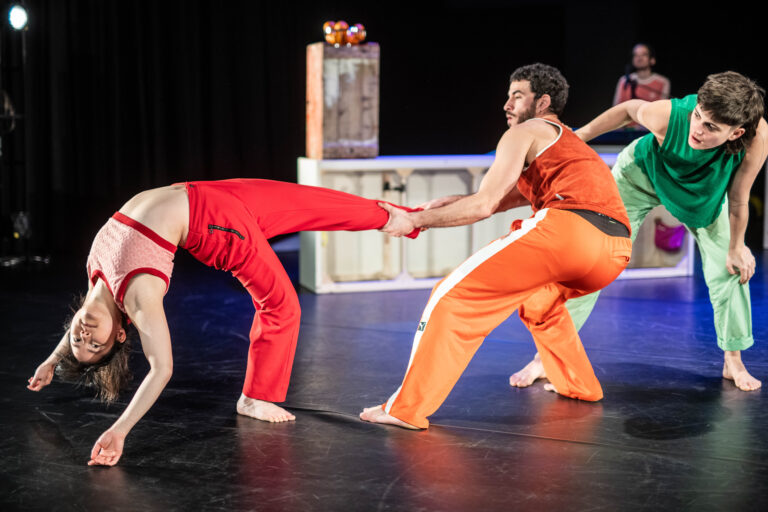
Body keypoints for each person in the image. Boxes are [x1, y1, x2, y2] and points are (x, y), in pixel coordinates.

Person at [26, 179, 419, 465]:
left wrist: (54, 359)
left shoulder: (96, 274)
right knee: (281, 303)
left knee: (307, 202)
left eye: (79, 337)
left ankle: (397, 217)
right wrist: (120, 430)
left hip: (206, 192)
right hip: (213, 224)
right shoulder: (138, 295)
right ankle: (255, 397)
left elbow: (80, 332)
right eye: (96, 345)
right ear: (122, 332)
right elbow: (161, 369)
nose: (84, 335)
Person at [359, 63, 633, 430]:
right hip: (614, 251)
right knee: (541, 304)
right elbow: (507, 197)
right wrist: (455, 201)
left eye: (517, 96)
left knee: (452, 296)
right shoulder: (565, 141)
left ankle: (404, 409)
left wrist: (413, 220)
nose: (507, 104)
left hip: (569, 232)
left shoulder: (527, 131)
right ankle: (580, 386)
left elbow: (484, 206)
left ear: (543, 102)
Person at [510, 71, 768, 392]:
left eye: (711, 127)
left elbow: (740, 198)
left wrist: (736, 247)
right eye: (698, 116)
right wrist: (581, 135)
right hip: (640, 178)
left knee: (730, 270)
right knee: (591, 262)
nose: (697, 129)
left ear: (736, 132)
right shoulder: (668, 116)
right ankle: (546, 357)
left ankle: (734, 360)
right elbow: (629, 109)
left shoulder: (756, 138)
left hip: (702, 197)